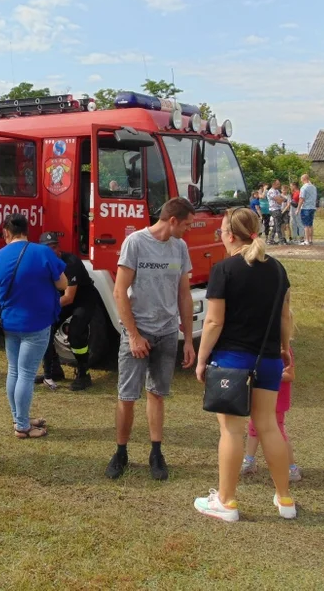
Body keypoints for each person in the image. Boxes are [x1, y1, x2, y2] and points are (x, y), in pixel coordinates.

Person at [194, 207, 296, 522]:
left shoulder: (224, 270)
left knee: (231, 431)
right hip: (268, 360)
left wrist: (200, 360)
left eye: (221, 230)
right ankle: (285, 499)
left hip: (231, 361)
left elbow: (212, 322)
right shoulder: (278, 269)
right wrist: (284, 348)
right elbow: (285, 316)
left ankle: (226, 502)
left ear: (230, 235)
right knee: (269, 427)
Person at [106, 198, 196, 482]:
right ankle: (120, 452)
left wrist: (189, 339)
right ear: (172, 220)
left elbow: (184, 294)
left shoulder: (180, 247)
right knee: (127, 395)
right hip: (139, 331)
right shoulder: (135, 243)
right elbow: (120, 292)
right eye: (187, 224)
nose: (188, 230)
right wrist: (133, 335)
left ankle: (156, 452)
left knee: (157, 394)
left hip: (167, 332)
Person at [0, 213, 67, 439]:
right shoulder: (43, 252)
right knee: (27, 374)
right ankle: (22, 425)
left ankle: (19, 417)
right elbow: (63, 283)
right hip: (37, 322)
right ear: (26, 231)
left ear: (6, 233)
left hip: (10, 321)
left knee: (15, 371)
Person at [242, 322, 301, 482]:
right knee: (253, 428)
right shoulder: (260, 349)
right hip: (260, 398)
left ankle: (291, 468)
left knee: (278, 432)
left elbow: (290, 375)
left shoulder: (284, 350)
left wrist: (270, 374)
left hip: (276, 400)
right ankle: (249, 460)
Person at [39, 231, 97, 391]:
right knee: (44, 329)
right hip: (61, 301)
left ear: (59, 247)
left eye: (55, 246)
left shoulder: (71, 263)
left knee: (76, 334)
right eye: (48, 248)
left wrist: (44, 307)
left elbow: (69, 297)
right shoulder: (41, 263)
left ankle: (83, 373)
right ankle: (54, 370)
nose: (53, 251)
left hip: (83, 300)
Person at [299, 174, 318, 246]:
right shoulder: (313, 187)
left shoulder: (303, 188)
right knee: (310, 225)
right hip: (312, 207)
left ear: (303, 179)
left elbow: (301, 199)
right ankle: (310, 240)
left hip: (305, 207)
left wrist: (298, 208)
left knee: (306, 225)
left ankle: (306, 240)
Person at [267, 181, 287, 245]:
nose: (279, 185)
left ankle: (271, 239)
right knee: (278, 224)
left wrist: (281, 199)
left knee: (276, 224)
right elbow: (278, 199)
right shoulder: (270, 191)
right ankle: (281, 240)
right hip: (274, 209)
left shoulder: (277, 191)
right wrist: (281, 199)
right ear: (273, 184)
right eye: (277, 184)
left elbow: (283, 199)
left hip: (278, 209)